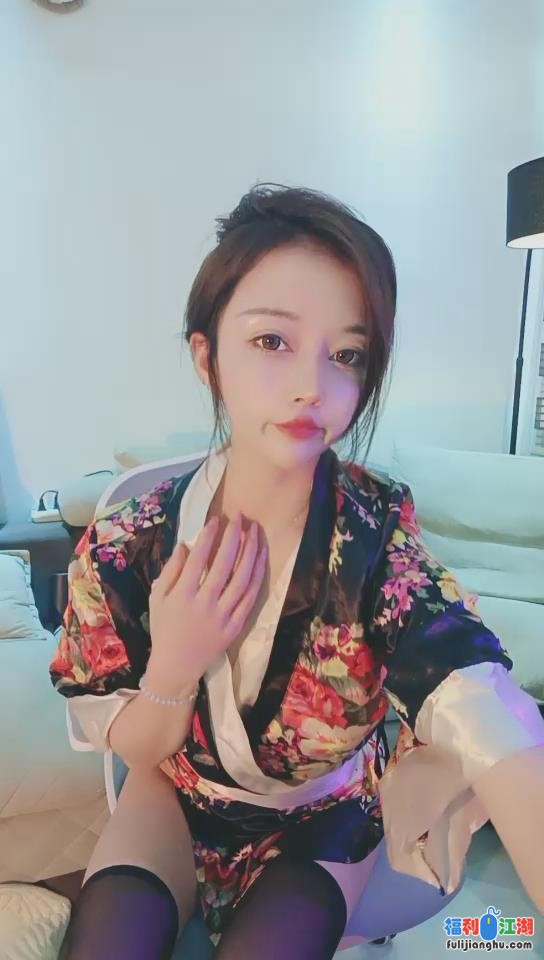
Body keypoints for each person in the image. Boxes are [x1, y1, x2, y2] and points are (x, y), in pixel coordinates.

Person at [49, 183, 544, 960]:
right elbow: (138, 749)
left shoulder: (374, 540)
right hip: (176, 799)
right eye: (272, 340)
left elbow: (480, 699)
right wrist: (174, 665)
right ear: (206, 355)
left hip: (324, 815)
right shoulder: (125, 545)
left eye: (346, 354)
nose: (314, 384)